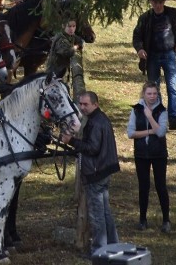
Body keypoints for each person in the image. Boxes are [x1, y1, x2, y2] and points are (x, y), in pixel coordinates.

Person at [61, 91, 120, 256]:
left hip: (96, 172)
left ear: (96, 104)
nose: (82, 107)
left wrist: (71, 141)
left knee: (97, 214)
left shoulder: (95, 123)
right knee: (106, 212)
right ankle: (113, 245)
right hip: (104, 170)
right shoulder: (101, 119)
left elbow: (92, 148)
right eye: (80, 104)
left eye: (86, 104)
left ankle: (99, 251)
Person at [133, 0, 176, 130]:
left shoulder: (174, 14)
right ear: (151, 3)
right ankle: (159, 116)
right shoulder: (145, 18)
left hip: (170, 54)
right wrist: (140, 49)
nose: (158, 5)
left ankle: (173, 118)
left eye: (160, 2)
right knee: (154, 89)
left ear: (164, 2)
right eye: (155, 2)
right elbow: (137, 36)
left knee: (172, 87)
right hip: (152, 56)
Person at [126, 82, 170, 233]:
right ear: (143, 94)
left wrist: (150, 117)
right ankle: (142, 219)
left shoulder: (162, 110)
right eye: (149, 93)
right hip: (141, 154)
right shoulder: (136, 110)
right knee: (143, 186)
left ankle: (166, 219)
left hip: (159, 154)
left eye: (154, 94)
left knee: (161, 186)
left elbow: (161, 132)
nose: (152, 96)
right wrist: (150, 131)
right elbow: (131, 133)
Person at [46, 18, 87, 98]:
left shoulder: (69, 36)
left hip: (62, 71)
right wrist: (76, 47)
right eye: (69, 26)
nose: (71, 29)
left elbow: (79, 40)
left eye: (73, 26)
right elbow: (67, 52)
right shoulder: (61, 39)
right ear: (63, 26)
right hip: (55, 72)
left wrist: (79, 43)